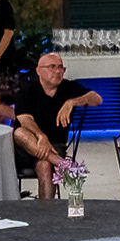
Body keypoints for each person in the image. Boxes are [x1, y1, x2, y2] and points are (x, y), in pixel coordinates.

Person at [12, 52, 103, 199]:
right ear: (39, 70)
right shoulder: (27, 91)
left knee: (44, 165)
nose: (58, 71)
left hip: (56, 145)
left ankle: (47, 211)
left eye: (61, 67)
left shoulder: (69, 87)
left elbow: (97, 99)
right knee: (19, 133)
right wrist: (41, 137)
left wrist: (71, 102)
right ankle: (63, 165)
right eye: (52, 67)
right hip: (27, 147)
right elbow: (25, 120)